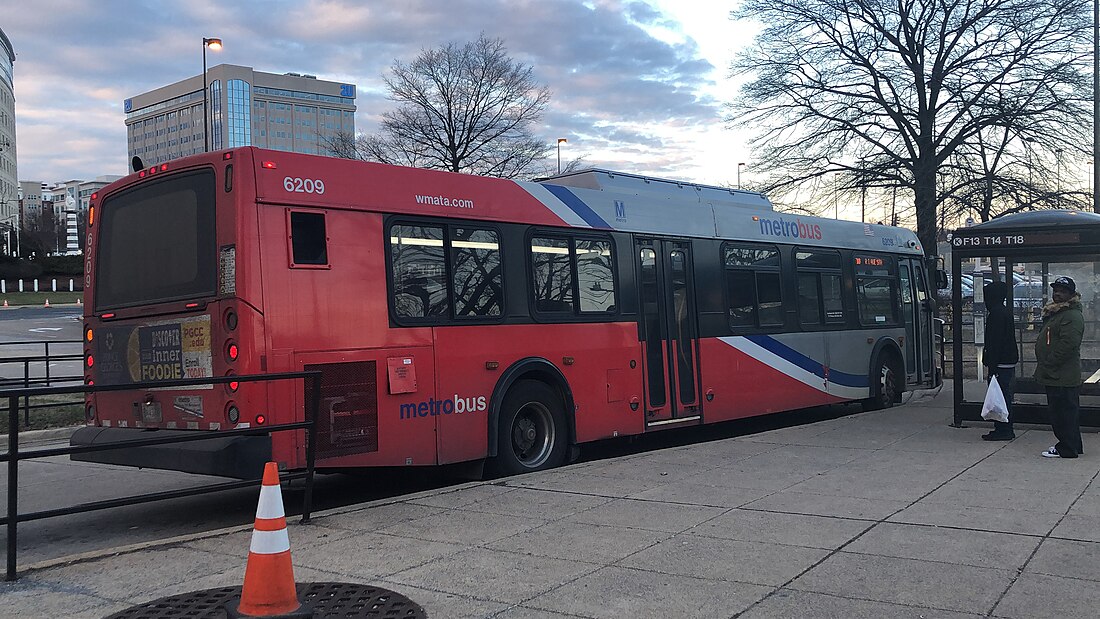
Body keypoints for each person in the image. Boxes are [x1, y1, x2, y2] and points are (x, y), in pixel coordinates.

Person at [1034, 276, 1085, 458]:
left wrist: (1050, 362)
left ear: (1071, 294)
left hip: (1061, 375)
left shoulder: (1071, 315)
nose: (1057, 294)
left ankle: (1066, 448)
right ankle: (1073, 445)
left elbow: (1069, 344)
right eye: (1055, 290)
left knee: (1063, 414)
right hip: (1056, 374)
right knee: (1066, 413)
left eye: (1062, 291)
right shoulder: (1057, 313)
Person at [981, 280, 1018, 440]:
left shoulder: (995, 314)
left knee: (1000, 397)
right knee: (1003, 395)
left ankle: (1004, 428)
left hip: (1000, 362)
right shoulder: (1004, 311)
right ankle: (1003, 427)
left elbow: (995, 342)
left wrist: (991, 365)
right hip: (1007, 360)